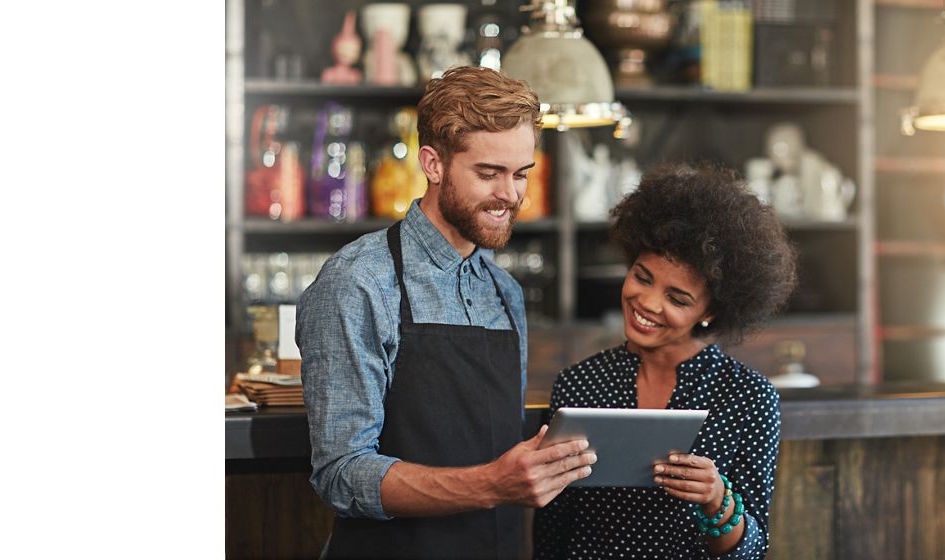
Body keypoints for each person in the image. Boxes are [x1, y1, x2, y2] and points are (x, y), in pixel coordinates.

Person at [297, 66, 595, 560]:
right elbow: (341, 474)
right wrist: (491, 485)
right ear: (433, 164)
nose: (511, 195)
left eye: (521, 173)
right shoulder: (359, 281)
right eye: (488, 173)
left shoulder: (505, 291)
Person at [533, 164, 797, 559]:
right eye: (642, 277)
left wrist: (716, 497)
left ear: (711, 311)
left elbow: (750, 552)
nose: (648, 304)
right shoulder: (579, 384)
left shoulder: (748, 397)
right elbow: (552, 532)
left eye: (677, 299)